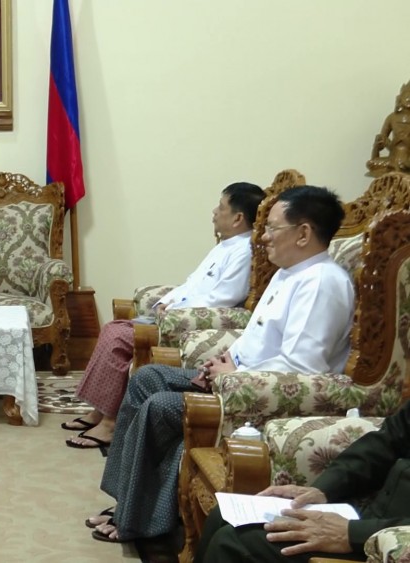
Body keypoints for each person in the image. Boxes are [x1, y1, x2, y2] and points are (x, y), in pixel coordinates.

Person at [89, 186, 356, 543]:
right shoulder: (288, 272)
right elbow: (256, 336)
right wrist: (225, 360)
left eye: (272, 228)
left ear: (303, 233)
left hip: (258, 399)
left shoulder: (322, 282)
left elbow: (303, 366)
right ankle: (126, 500)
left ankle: (136, 521)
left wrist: (236, 375)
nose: (262, 237)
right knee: (147, 377)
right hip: (237, 379)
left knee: (161, 407)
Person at [65, 182, 265, 449]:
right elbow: (191, 283)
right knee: (113, 328)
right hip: (175, 313)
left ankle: (111, 423)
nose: (214, 211)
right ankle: (99, 412)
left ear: (238, 218)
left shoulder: (244, 251)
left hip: (188, 323)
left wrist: (174, 311)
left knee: (119, 337)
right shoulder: (225, 246)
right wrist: (165, 301)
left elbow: (224, 297)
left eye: (221, 207)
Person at [195, 399, 410, 562]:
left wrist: (353, 534)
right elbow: (385, 443)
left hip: (393, 543)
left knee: (235, 543)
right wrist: (322, 490)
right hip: (370, 514)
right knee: (223, 516)